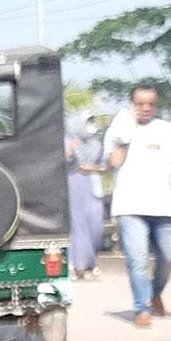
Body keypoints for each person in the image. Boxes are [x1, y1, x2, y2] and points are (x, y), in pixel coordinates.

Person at [102, 81, 171, 327]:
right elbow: (113, 162)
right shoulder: (118, 129)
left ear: (156, 105)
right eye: (140, 104)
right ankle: (142, 308)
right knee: (137, 259)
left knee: (168, 256)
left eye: (150, 104)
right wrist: (124, 137)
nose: (145, 108)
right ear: (133, 104)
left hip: (162, 205)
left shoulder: (167, 129)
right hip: (130, 206)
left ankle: (155, 293)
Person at [65, 112, 108, 278]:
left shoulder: (97, 143)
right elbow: (59, 162)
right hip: (73, 184)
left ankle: (91, 261)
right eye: (88, 121)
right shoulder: (67, 141)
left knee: (95, 225)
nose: (91, 125)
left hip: (92, 184)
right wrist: (71, 150)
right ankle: (78, 265)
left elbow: (104, 166)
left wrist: (90, 168)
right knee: (77, 225)